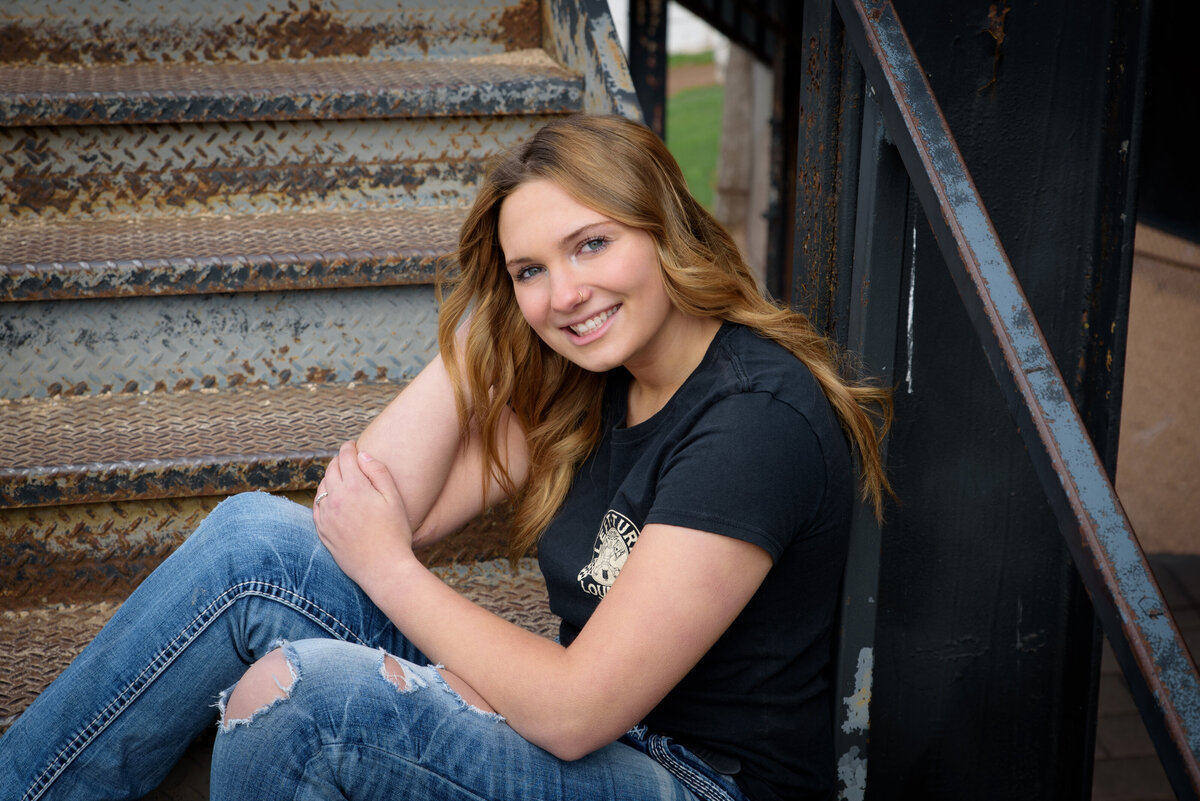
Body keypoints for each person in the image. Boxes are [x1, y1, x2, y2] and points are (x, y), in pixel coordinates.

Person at [0, 114, 890, 801]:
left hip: (690, 779)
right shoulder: (597, 376)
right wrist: (497, 324)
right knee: (253, 545)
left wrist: (391, 567)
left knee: (309, 703)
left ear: (665, 229)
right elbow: (366, 506)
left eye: (592, 244)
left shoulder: (752, 420)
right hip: (591, 738)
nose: (568, 291)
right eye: (530, 268)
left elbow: (577, 709)